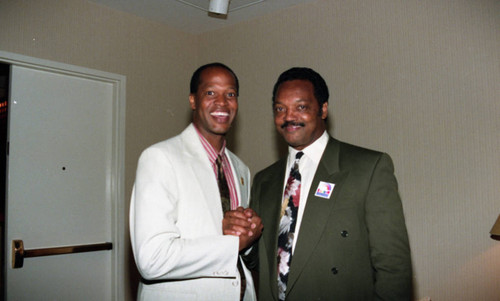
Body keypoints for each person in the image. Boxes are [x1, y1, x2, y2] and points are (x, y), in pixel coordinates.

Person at [245, 67, 412, 300]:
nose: (289, 117)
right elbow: (263, 262)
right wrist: (245, 241)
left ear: (323, 109)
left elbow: (394, 266)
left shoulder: (368, 168)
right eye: (280, 109)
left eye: (301, 107)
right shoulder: (265, 180)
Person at [129, 62, 263, 301]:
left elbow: (238, 247)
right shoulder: (160, 158)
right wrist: (233, 244)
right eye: (210, 93)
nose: (222, 102)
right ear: (193, 100)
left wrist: (249, 233)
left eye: (230, 94)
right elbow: (152, 259)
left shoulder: (241, 168)